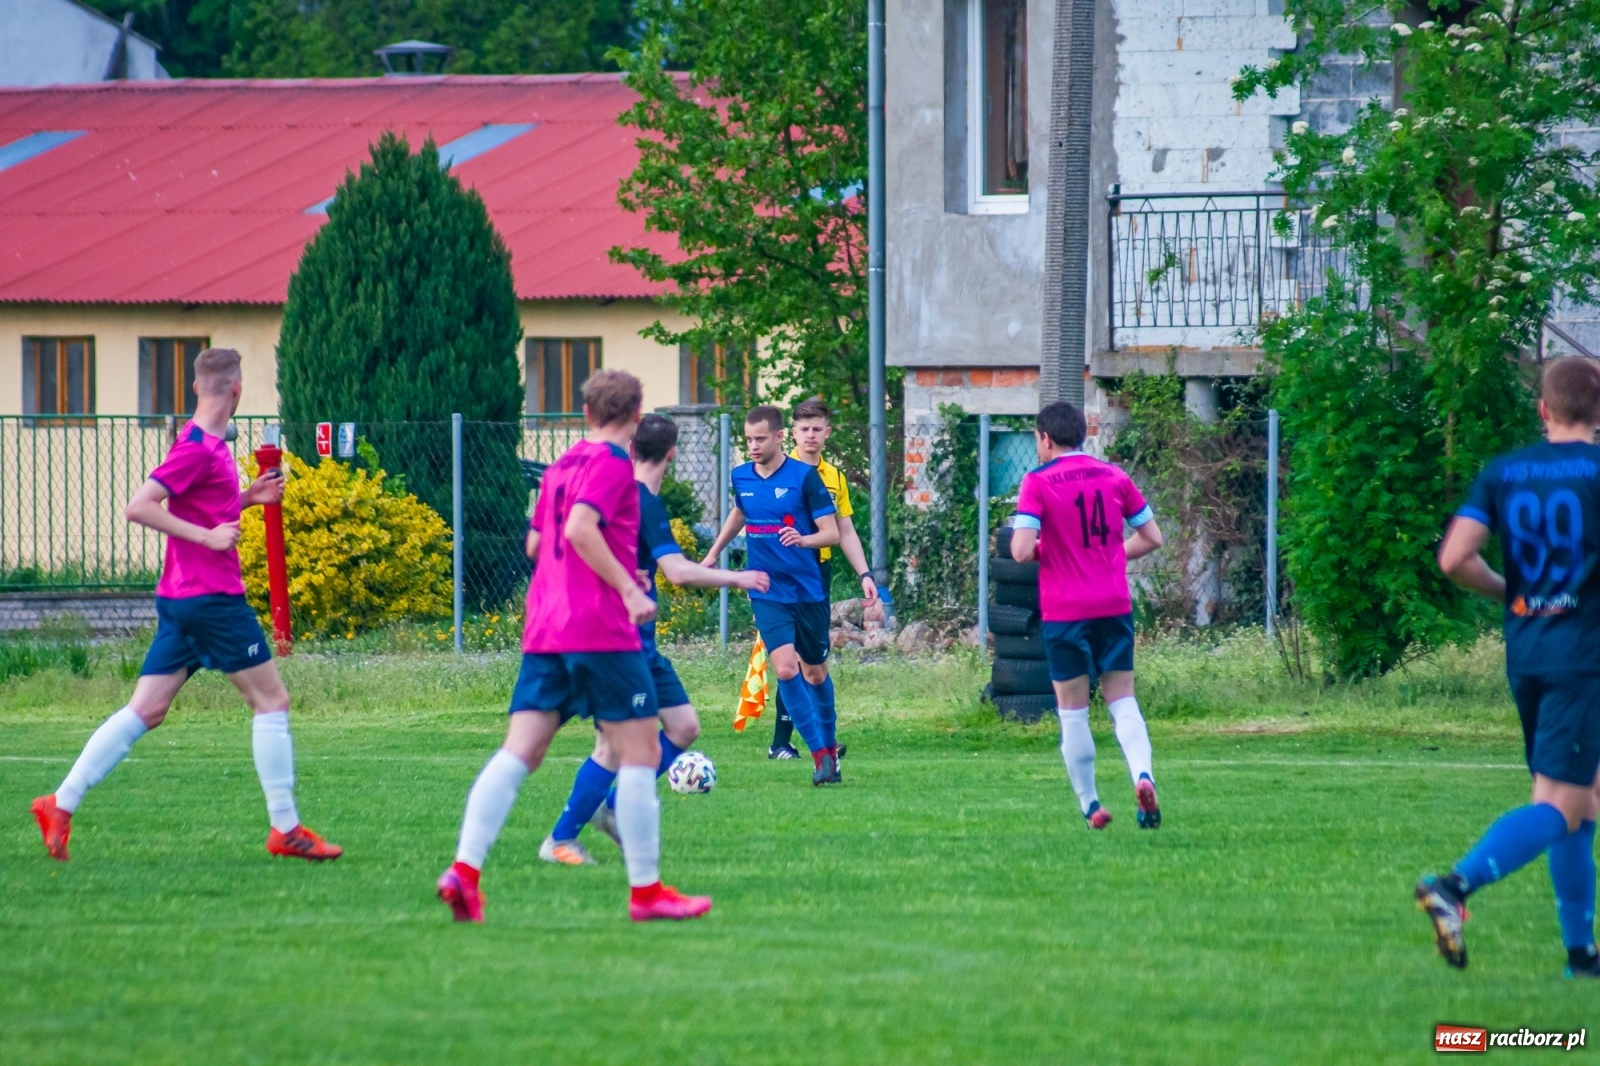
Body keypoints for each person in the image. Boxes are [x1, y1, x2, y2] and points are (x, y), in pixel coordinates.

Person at [30, 347, 342, 863]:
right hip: (212, 599)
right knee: (272, 702)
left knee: (146, 710)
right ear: (236, 390)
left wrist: (247, 498)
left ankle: (59, 803)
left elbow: (202, 502)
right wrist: (208, 537)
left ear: (197, 387)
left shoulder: (211, 446)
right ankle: (285, 829)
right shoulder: (197, 447)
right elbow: (139, 507)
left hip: (180, 600)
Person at [436, 371, 711, 923]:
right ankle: (647, 892)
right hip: (601, 631)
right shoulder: (613, 466)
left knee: (520, 752)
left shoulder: (560, 467)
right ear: (635, 417)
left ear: (585, 413)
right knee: (640, 754)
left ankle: (464, 872)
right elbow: (581, 529)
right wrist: (630, 588)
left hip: (546, 627)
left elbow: (538, 542)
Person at [1416, 356, 1600, 978]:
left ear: (1543, 410)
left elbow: (1454, 558)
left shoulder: (1505, 470)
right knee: (1558, 805)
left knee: (1582, 802)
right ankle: (1454, 885)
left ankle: (1581, 955)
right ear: (1598, 414)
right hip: (1584, 658)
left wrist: (1509, 592)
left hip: (1528, 654)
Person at [539, 412, 770, 865]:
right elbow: (678, 573)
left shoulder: (624, 497)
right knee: (610, 746)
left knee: (684, 727)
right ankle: (561, 839)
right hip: (614, 642)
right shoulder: (638, 501)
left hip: (641, 644)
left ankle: (611, 809)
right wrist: (739, 577)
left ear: (630, 448)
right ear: (672, 454)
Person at [1009, 401, 1165, 830]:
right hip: (1113, 604)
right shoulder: (1115, 475)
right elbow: (1152, 537)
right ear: (1083, 434)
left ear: (1044, 438)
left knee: (1073, 710)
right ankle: (1143, 775)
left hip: (1065, 611)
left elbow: (1021, 550)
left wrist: (1049, 551)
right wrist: (1111, 556)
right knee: (1123, 699)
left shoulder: (1037, 481)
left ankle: (1091, 804)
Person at [702, 405, 843, 785]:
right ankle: (819, 759)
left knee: (814, 672)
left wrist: (804, 539)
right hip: (765, 589)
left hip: (808, 590)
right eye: (748, 439)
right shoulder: (741, 476)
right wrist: (715, 552)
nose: (752, 446)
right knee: (784, 668)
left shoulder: (805, 477)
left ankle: (830, 747)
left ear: (780, 437)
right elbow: (740, 512)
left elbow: (832, 533)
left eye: (760, 438)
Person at [766, 398, 880, 761]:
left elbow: (844, 529)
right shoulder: (779, 471)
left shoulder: (834, 477)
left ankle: (812, 736)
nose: (810, 436)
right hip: (784, 570)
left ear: (827, 433)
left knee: (812, 660)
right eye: (804, 429)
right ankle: (782, 742)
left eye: (817, 429)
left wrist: (864, 573)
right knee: (792, 658)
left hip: (818, 570)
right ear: (792, 434)